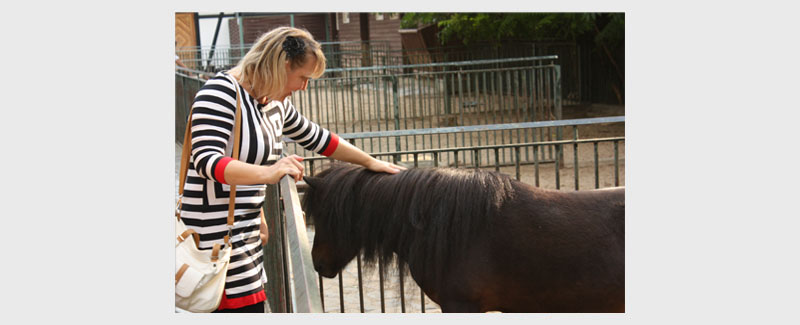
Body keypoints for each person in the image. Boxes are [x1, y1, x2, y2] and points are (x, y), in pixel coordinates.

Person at [179, 26, 406, 313]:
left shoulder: (274, 103)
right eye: (303, 78)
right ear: (283, 64)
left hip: (245, 240)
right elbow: (207, 161)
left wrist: (370, 162)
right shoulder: (220, 94)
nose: (304, 87)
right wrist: (270, 172)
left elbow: (319, 138)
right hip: (213, 241)